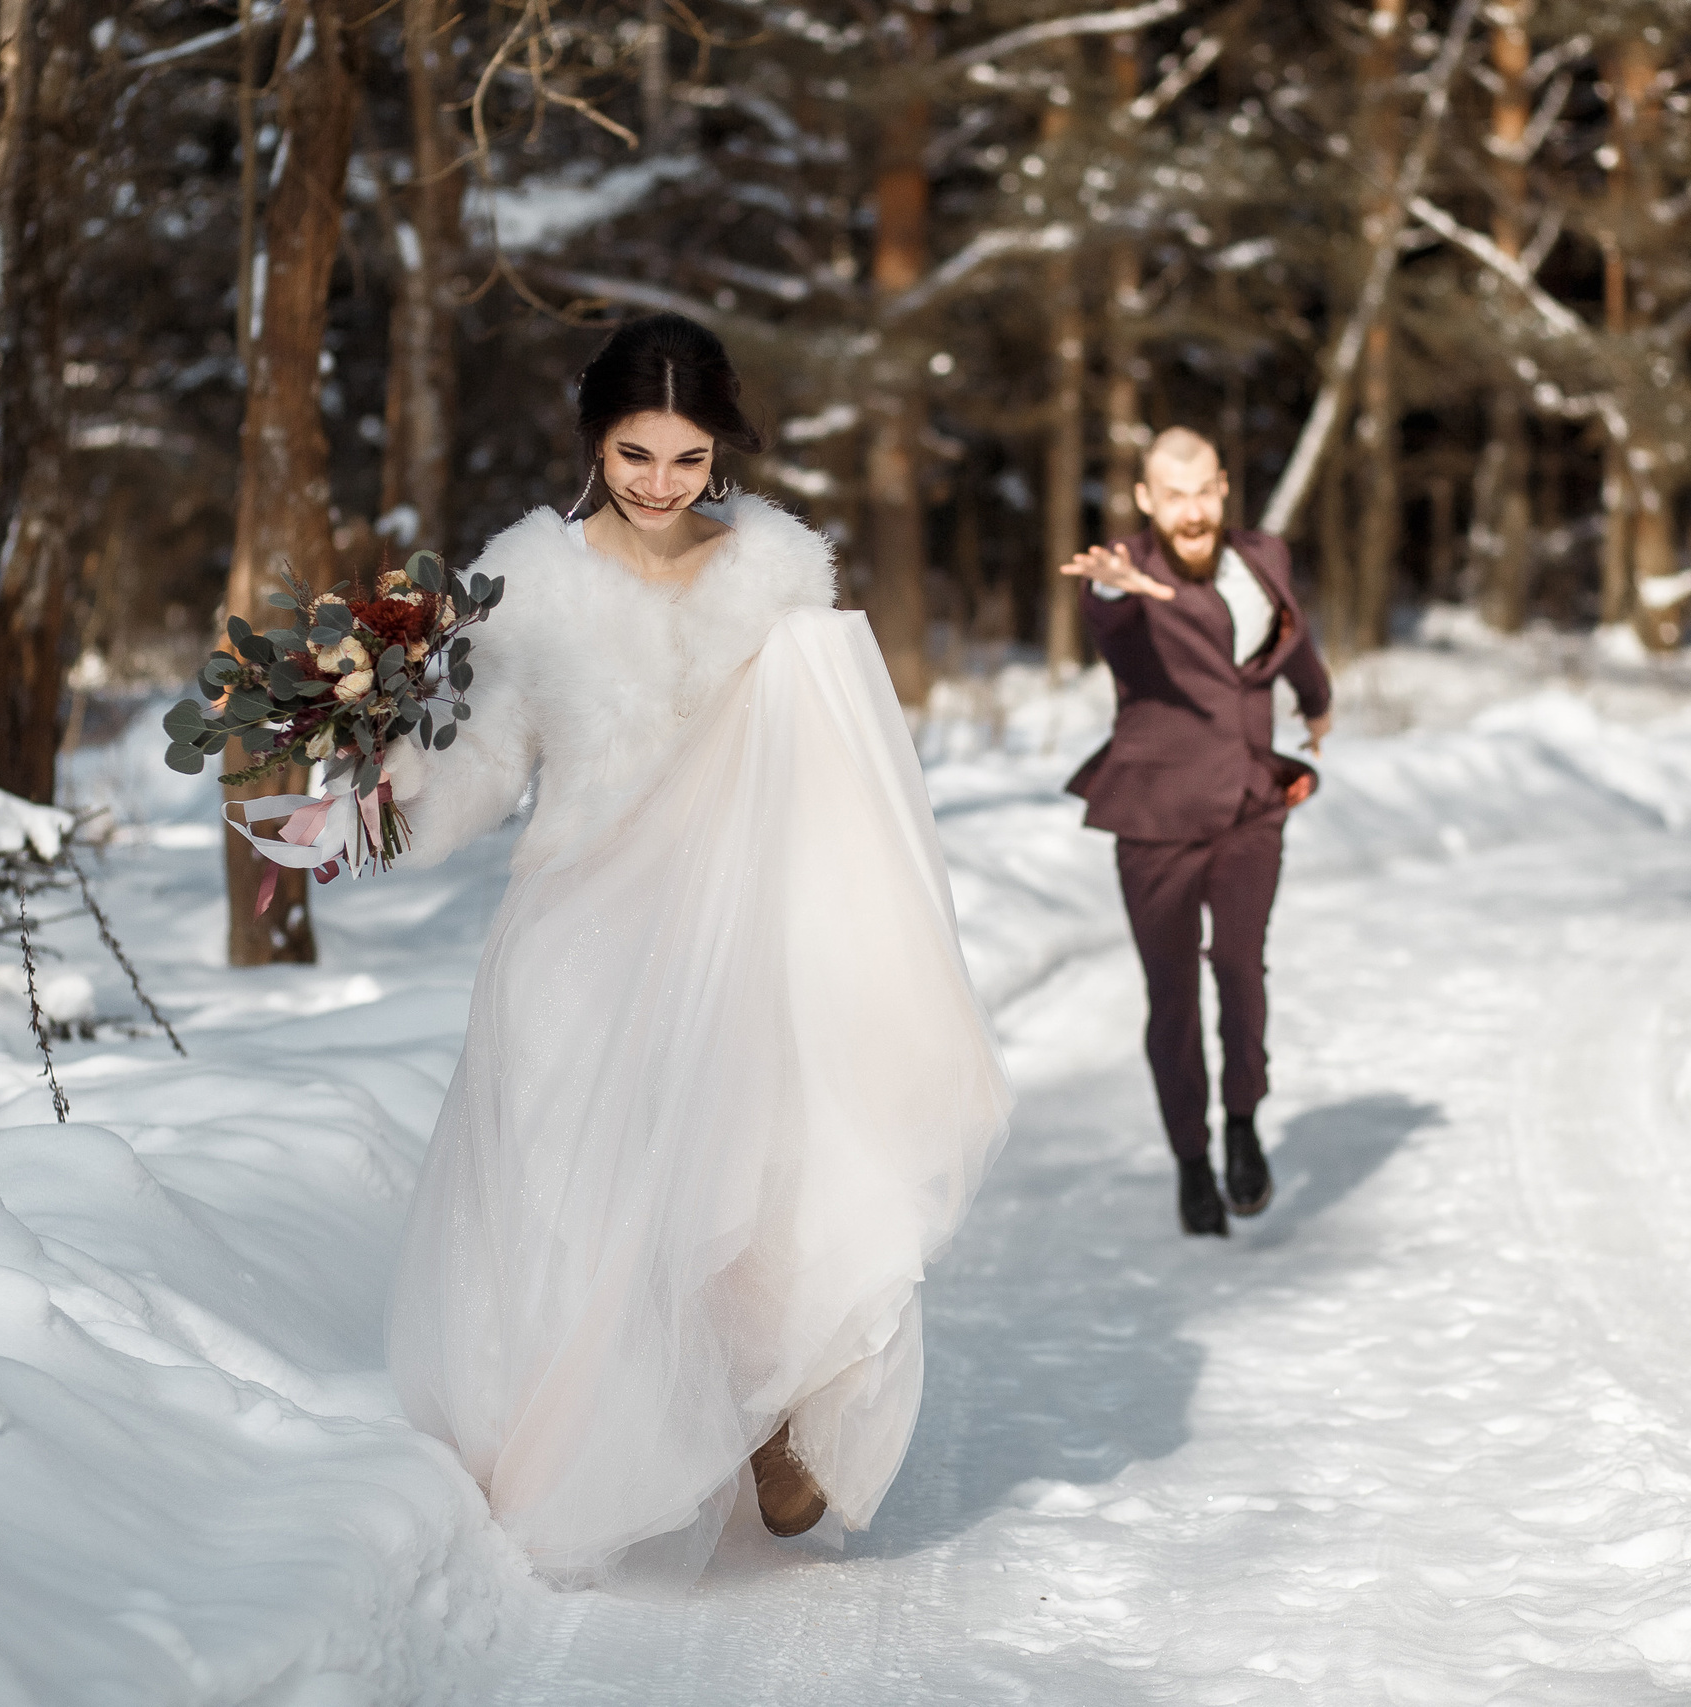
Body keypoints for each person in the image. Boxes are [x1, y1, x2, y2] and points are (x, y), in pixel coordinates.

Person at [380, 314, 1012, 1588]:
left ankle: (771, 1417)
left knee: (749, 1181)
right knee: (577, 1200)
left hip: (736, 929)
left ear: (720, 446)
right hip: (576, 931)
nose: (661, 483)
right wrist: (374, 795)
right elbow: (488, 761)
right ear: (592, 442)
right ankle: (592, 1448)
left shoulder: (774, 583)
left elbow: (832, 766)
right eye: (634, 454)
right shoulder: (533, 581)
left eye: (685, 456)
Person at [1056, 427, 1333, 1239]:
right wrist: (1115, 593)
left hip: (1251, 804)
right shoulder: (1128, 574)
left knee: (1241, 969)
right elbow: (1111, 622)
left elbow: (1291, 638)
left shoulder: (1262, 557)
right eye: (1171, 495)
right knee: (1172, 996)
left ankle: (1243, 1120)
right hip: (1156, 817)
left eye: (1203, 490)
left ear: (1223, 486)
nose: (1191, 510)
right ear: (1147, 498)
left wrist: (1316, 701)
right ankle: (1190, 1158)